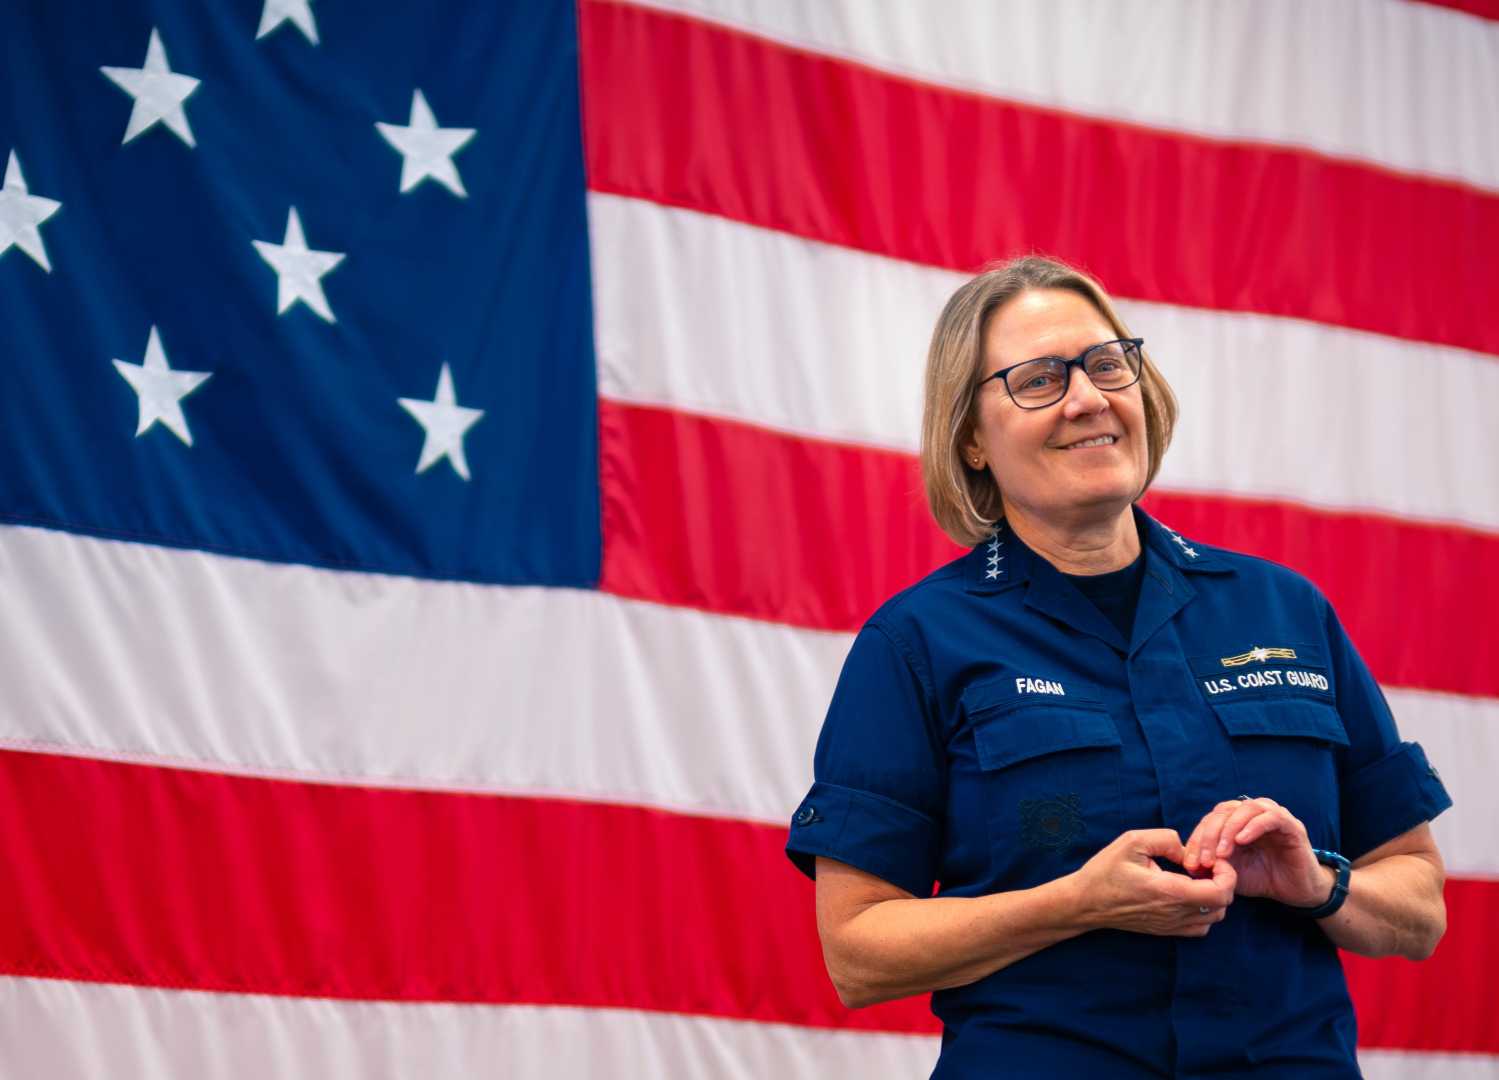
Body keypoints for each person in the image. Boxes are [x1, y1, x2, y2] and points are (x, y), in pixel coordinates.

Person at [784, 256, 1452, 1078]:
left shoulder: (1284, 610)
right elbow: (856, 954)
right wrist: (1076, 904)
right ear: (970, 438)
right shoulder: (916, 641)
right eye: (1037, 379)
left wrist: (1315, 881)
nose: (1088, 399)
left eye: (1106, 365)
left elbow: (1418, 905)